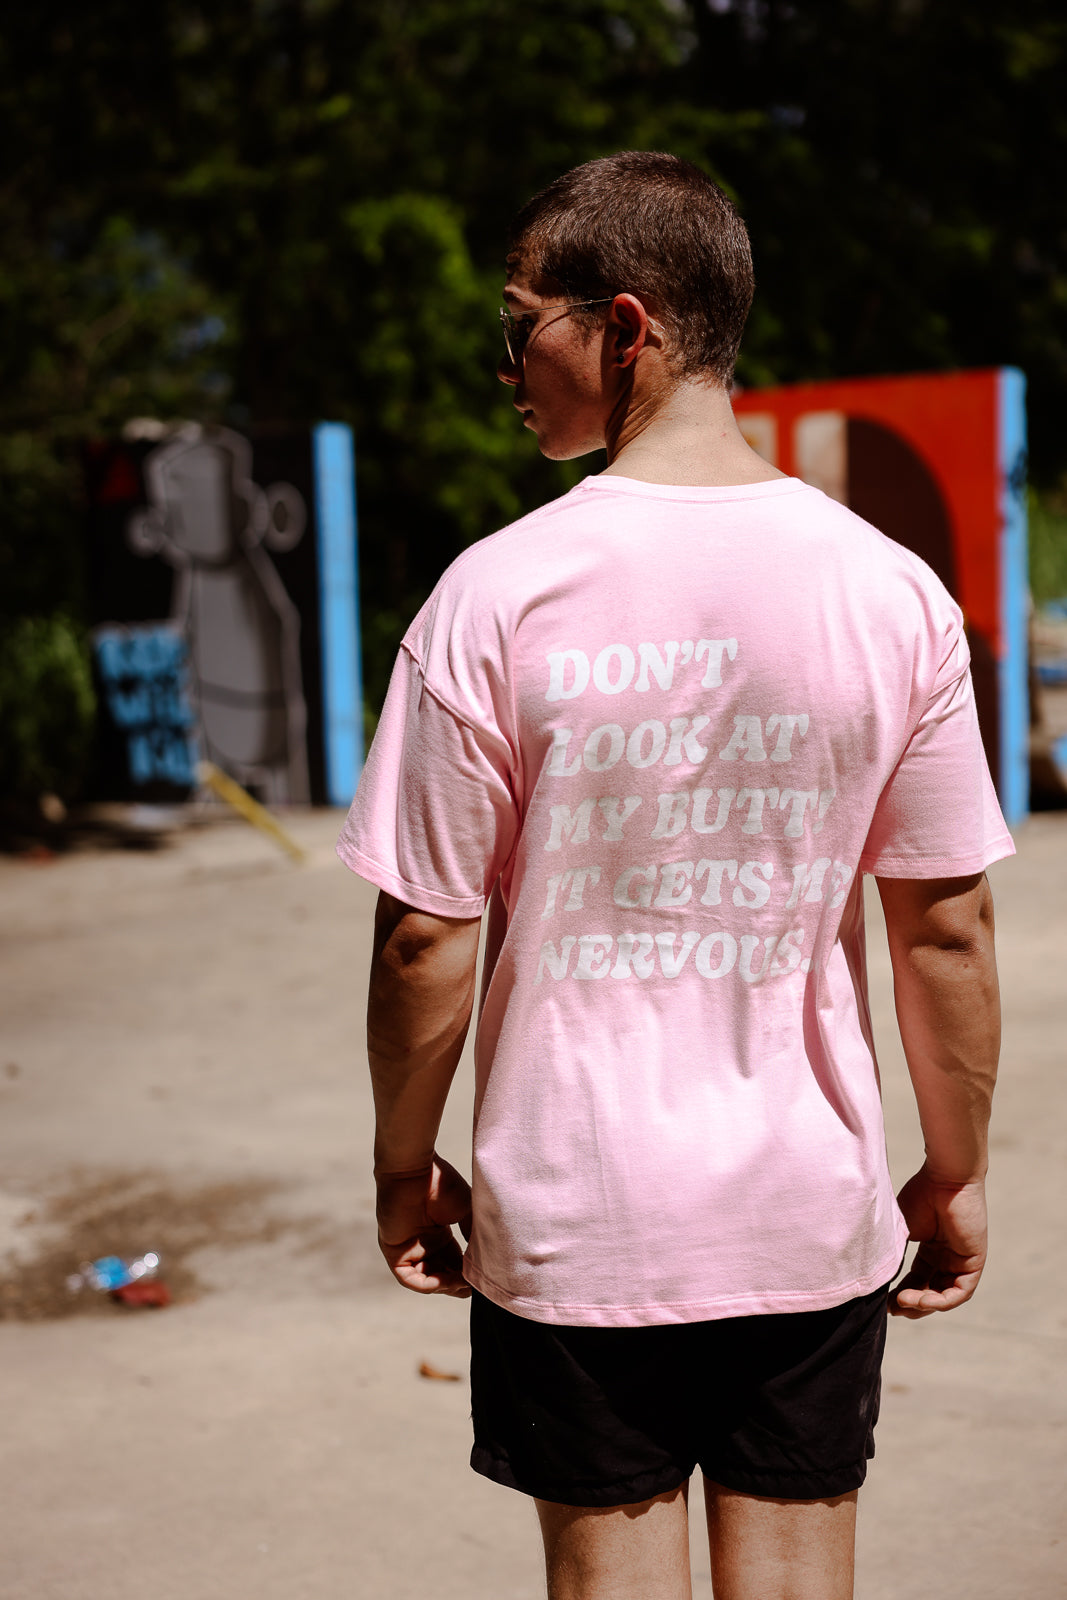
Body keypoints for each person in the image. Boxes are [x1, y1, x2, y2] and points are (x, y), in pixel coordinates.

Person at [337, 151, 1012, 1600]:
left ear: (625, 327)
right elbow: (944, 930)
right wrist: (952, 1169)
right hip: (803, 1210)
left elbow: (423, 943)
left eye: (521, 326)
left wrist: (405, 1170)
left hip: (581, 1219)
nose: (505, 364)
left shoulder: (493, 594)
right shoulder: (888, 591)